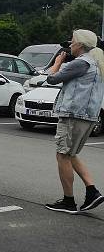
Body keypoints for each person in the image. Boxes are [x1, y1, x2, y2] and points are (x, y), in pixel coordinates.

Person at [44, 29, 104, 214]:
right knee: (71, 154)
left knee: (62, 155)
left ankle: (68, 201)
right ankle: (92, 192)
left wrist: (57, 62)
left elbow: (51, 78)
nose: (70, 44)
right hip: (88, 116)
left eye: (72, 41)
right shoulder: (96, 62)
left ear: (80, 45)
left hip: (73, 115)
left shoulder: (80, 63)